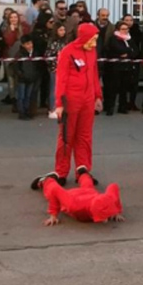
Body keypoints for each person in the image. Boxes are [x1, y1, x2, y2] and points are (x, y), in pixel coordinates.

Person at [48, 23, 103, 185]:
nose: (94, 43)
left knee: (85, 136)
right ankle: (61, 172)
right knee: (66, 136)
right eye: (92, 40)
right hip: (71, 100)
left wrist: (97, 96)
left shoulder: (91, 51)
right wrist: (59, 103)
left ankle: (83, 169)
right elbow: (61, 78)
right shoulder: (67, 52)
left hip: (87, 99)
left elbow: (94, 74)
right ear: (84, 38)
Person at [34, 169, 123, 226]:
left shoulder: (109, 199)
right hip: (73, 196)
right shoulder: (73, 206)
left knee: (88, 187)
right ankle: (45, 180)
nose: (106, 220)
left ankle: (83, 173)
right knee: (50, 194)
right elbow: (55, 190)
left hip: (90, 193)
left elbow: (113, 186)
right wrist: (53, 215)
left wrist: (116, 211)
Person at [103, 20, 136, 116]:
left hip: (127, 67)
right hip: (115, 67)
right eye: (123, 29)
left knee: (124, 88)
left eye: (127, 29)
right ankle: (110, 107)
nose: (125, 31)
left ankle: (123, 107)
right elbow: (117, 49)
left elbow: (135, 50)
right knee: (113, 88)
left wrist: (128, 52)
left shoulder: (129, 39)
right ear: (118, 29)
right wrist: (129, 50)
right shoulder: (114, 38)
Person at [15, 34, 41, 120]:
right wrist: (21, 75)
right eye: (27, 44)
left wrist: (35, 75)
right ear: (23, 45)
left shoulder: (35, 53)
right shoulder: (19, 54)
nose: (29, 45)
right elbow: (16, 66)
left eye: (30, 43)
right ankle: (21, 112)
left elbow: (37, 66)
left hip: (32, 77)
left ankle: (27, 111)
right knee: (21, 96)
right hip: (22, 79)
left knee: (28, 96)